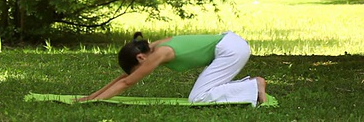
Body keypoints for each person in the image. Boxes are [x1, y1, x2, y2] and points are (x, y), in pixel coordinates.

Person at [78, 31, 267, 106]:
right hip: (229, 44)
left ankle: (254, 86)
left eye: (137, 67)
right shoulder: (153, 48)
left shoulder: (160, 53)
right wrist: (91, 97)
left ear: (140, 57)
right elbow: (125, 77)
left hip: (231, 50)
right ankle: (251, 86)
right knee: (201, 94)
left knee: (198, 98)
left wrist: (93, 102)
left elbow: (127, 82)